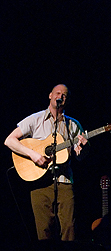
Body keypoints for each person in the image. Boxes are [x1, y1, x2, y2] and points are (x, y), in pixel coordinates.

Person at [5, 84, 89, 241]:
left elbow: (80, 157)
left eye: (64, 95)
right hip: (39, 182)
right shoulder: (35, 119)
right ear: (50, 95)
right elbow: (9, 140)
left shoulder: (73, 125)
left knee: (69, 228)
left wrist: (83, 148)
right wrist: (33, 154)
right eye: (58, 93)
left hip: (64, 181)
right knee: (43, 230)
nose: (61, 96)